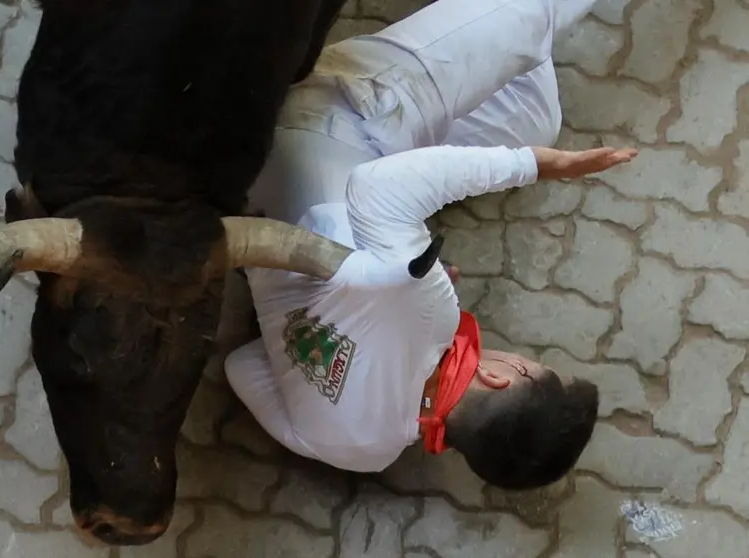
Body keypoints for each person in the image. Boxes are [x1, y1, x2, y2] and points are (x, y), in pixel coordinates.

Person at [223, 0, 639, 490]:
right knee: (532, 117)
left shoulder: (431, 314)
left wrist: (531, 166)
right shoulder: (363, 452)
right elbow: (241, 366)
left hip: (322, 119)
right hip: (260, 193)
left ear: (504, 376)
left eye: (531, 363)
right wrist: (315, 315)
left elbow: (377, 188)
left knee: (530, 16)